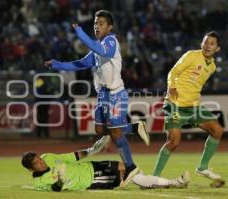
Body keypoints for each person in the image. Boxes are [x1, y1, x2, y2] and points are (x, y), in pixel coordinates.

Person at [44, 10, 149, 187]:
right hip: (103, 95)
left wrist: (80, 33)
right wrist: (57, 64)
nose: (96, 26)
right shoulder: (97, 48)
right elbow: (80, 64)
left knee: (116, 133)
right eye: (95, 23)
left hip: (115, 93)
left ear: (110, 27)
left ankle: (130, 167)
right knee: (100, 130)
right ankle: (134, 126)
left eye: (101, 23)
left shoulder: (110, 42)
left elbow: (101, 51)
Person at [153, 31, 225, 184]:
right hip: (175, 104)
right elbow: (173, 72)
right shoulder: (191, 55)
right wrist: (172, 86)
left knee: (217, 130)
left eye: (212, 44)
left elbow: (195, 84)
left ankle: (202, 167)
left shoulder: (212, 66)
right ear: (201, 44)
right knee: (174, 142)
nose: (207, 46)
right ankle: (155, 176)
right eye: (206, 42)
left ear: (217, 49)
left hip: (193, 106)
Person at [21, 136, 189, 191]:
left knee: (130, 169)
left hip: (92, 166)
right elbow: (55, 189)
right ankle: (174, 182)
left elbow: (73, 156)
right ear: (31, 169)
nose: (41, 162)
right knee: (133, 175)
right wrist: (60, 180)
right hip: (92, 181)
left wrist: (93, 149)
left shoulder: (48, 156)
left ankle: (152, 183)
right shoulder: (38, 182)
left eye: (39, 159)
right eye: (37, 163)